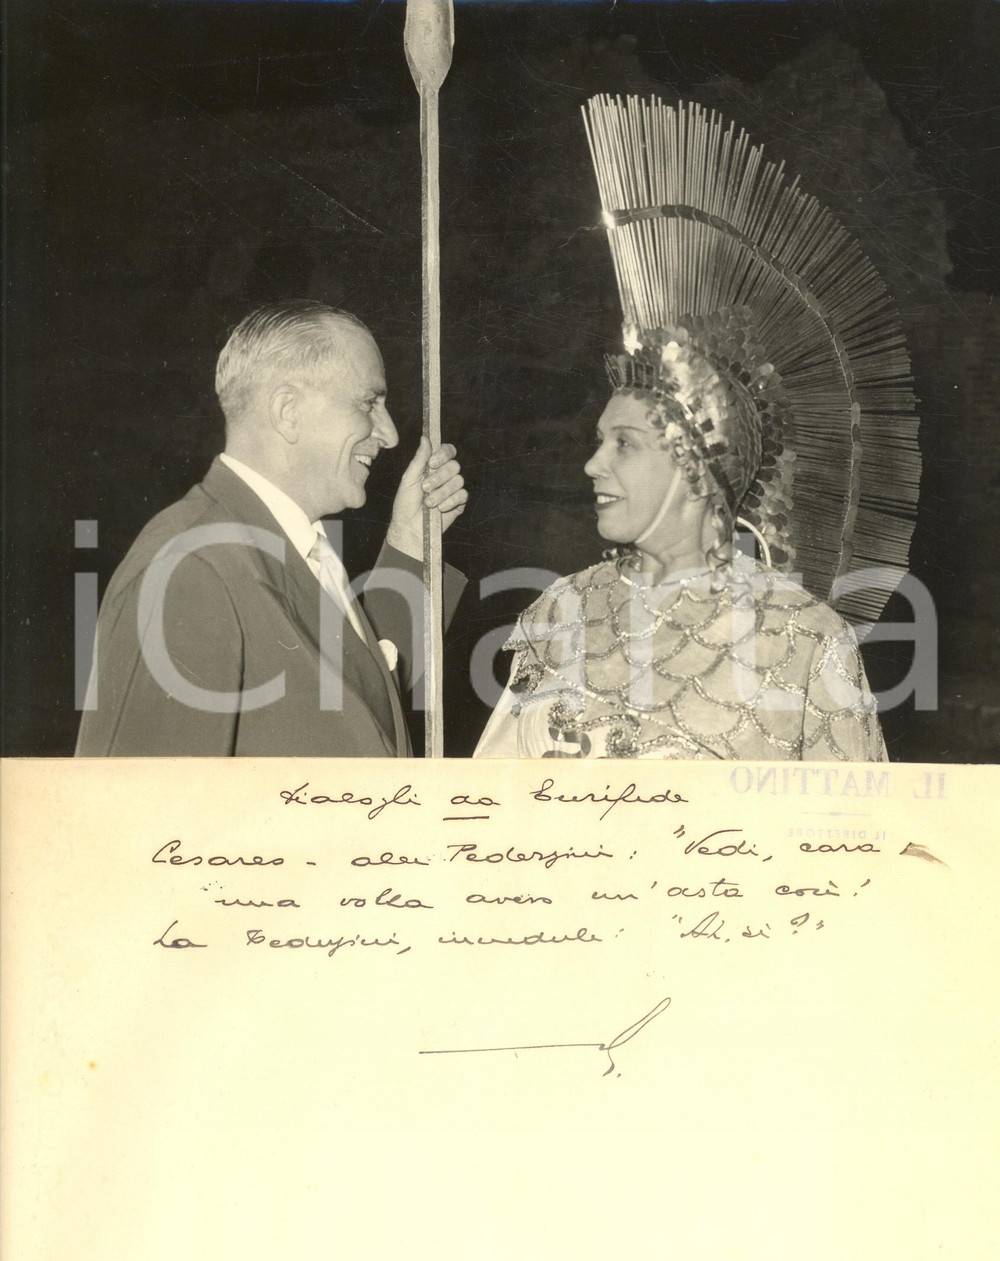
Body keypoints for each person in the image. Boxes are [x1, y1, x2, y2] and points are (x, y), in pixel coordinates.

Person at [476, 96, 920, 761]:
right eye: (599, 441)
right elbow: (486, 797)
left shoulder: (807, 640)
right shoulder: (561, 611)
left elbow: (850, 822)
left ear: (696, 468)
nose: (593, 464)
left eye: (624, 444)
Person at [76, 300, 467, 756]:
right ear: (287, 411)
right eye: (369, 403)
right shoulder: (192, 568)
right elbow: (142, 801)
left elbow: (355, 719)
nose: (390, 433)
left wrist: (410, 542)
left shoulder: (289, 548)